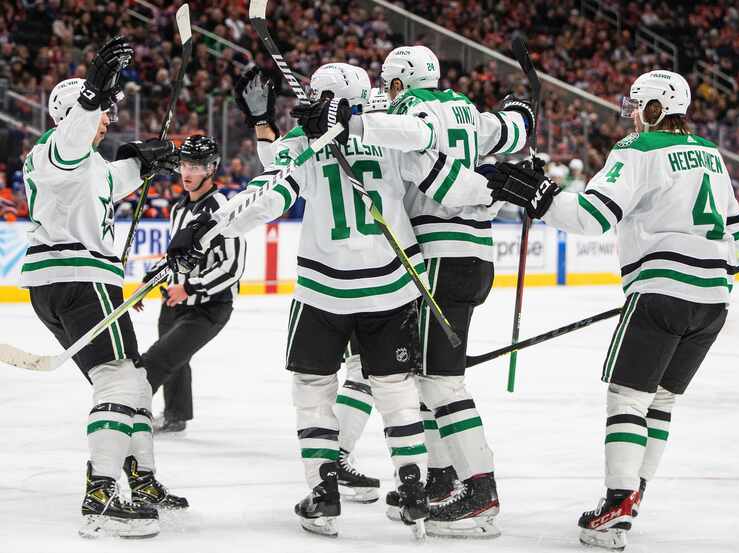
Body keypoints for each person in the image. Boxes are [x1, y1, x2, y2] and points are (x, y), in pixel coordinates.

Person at [169, 62, 536, 538]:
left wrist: (205, 229)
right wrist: (505, 190)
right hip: (390, 286)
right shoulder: (390, 137)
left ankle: (323, 494)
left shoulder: (303, 144)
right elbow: (450, 184)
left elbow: (269, 192)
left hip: (324, 292)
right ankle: (413, 488)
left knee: (313, 391)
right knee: (397, 389)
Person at [488, 70, 739, 550]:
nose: (630, 112)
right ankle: (635, 493)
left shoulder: (636, 150)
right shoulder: (711, 154)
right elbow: (736, 226)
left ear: (655, 108)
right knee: (661, 401)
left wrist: (539, 198)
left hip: (661, 293)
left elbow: (592, 217)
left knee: (628, 398)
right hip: (714, 300)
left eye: (637, 104)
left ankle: (618, 503)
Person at [294, 45, 533, 538]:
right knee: (421, 377)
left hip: (438, 255)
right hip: (475, 254)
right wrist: (523, 113)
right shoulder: (467, 108)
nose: (385, 95)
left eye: (388, 85)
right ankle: (440, 480)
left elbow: (415, 133)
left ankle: (479, 492)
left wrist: (353, 123)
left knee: (439, 382)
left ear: (399, 82)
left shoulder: (411, 109)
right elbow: (512, 130)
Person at [20, 36, 187, 538]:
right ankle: (102, 491)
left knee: (130, 382)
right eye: (101, 112)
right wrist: (92, 92)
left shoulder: (85, 165)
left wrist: (150, 161)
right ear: (75, 113)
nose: (109, 120)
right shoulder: (53, 151)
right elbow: (71, 142)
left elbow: (114, 178)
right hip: (79, 280)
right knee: (119, 382)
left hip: (68, 284)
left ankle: (143, 479)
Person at [138, 135, 246, 434]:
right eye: (185, 164)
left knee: (157, 359)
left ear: (212, 168)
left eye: (196, 166)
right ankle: (176, 414)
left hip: (208, 309)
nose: (187, 172)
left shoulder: (225, 210)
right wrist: (148, 283)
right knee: (176, 360)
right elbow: (173, 259)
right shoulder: (179, 209)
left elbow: (232, 266)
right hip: (174, 302)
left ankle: (127, 414)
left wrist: (191, 287)